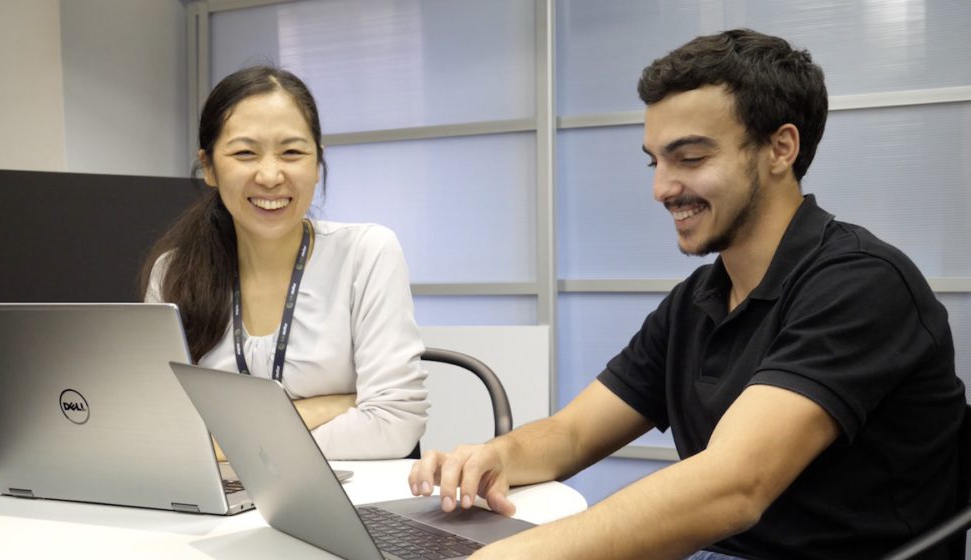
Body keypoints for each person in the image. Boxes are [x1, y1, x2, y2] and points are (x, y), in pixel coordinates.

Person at [408, 29, 966, 559]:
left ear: (780, 148)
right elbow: (573, 433)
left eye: (691, 158)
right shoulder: (697, 299)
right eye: (655, 161)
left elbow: (733, 485)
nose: (661, 188)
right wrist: (497, 457)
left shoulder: (861, 285)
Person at [142, 66, 428, 460]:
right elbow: (161, 433)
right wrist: (329, 407)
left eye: (292, 152)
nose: (271, 175)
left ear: (317, 163)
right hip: (220, 495)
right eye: (245, 153)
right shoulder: (174, 273)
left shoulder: (366, 253)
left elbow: (394, 425)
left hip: (351, 490)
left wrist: (224, 446)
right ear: (208, 166)